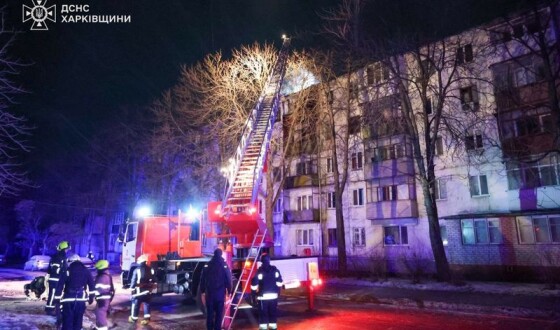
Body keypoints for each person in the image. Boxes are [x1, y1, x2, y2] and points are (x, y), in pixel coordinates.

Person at [55, 253, 95, 330]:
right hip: (80, 299)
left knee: (67, 320)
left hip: (68, 299)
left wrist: (57, 299)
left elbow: (60, 285)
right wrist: (91, 297)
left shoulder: (67, 271)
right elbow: (91, 285)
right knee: (78, 320)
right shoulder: (86, 271)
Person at [200, 248, 232, 330]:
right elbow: (228, 279)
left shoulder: (208, 265)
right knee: (219, 314)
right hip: (220, 295)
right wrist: (229, 291)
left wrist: (202, 291)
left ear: (214, 254)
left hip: (209, 294)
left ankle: (209, 328)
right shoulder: (224, 265)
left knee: (209, 314)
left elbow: (202, 279)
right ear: (221, 255)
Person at [251, 254, 283, 330]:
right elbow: (279, 282)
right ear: (269, 260)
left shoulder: (259, 271)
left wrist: (254, 294)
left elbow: (254, 284)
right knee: (273, 312)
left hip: (263, 297)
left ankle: (263, 327)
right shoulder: (275, 270)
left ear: (261, 261)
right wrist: (277, 291)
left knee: (263, 313)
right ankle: (273, 327)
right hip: (274, 296)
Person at [45, 241, 70, 319]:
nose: (67, 250)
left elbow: (49, 270)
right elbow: (55, 269)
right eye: (67, 249)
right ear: (64, 249)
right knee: (52, 294)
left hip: (59, 279)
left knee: (57, 295)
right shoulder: (58, 257)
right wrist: (63, 273)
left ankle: (56, 309)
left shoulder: (62, 257)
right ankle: (49, 309)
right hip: (55, 279)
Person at [129, 254, 155, 325]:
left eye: (138, 260)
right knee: (147, 304)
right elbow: (153, 279)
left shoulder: (136, 270)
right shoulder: (150, 269)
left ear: (140, 261)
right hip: (148, 291)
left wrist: (131, 289)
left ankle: (133, 318)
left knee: (136, 304)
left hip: (139, 292)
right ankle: (146, 319)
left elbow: (133, 280)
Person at [93, 260, 115, 330]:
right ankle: (98, 327)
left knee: (100, 314)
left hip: (102, 299)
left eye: (97, 268)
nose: (96, 270)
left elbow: (97, 289)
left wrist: (91, 295)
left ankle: (102, 328)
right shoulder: (106, 275)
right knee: (98, 313)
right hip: (104, 299)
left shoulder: (101, 277)